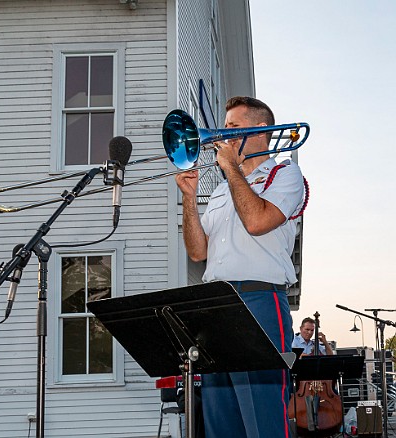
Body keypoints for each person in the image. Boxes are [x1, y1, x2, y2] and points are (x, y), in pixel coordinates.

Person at [175, 96, 306, 438]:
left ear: (260, 130)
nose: (223, 134)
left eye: (232, 127)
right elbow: (197, 251)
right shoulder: (221, 190)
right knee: (221, 419)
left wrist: (231, 167)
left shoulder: (284, 173)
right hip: (216, 304)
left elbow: (257, 221)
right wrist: (189, 199)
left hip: (259, 298)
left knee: (262, 416)